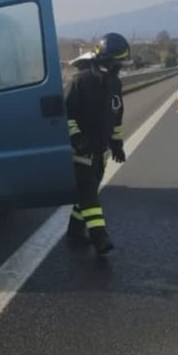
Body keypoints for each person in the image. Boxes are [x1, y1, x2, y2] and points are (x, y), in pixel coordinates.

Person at [65, 33, 131, 256]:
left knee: (88, 192)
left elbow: (116, 115)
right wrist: (77, 139)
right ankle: (99, 236)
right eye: (118, 63)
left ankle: (74, 232)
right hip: (81, 151)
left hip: (100, 150)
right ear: (107, 60)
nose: (121, 67)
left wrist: (117, 144)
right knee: (88, 193)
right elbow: (66, 115)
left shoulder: (115, 84)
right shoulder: (81, 81)